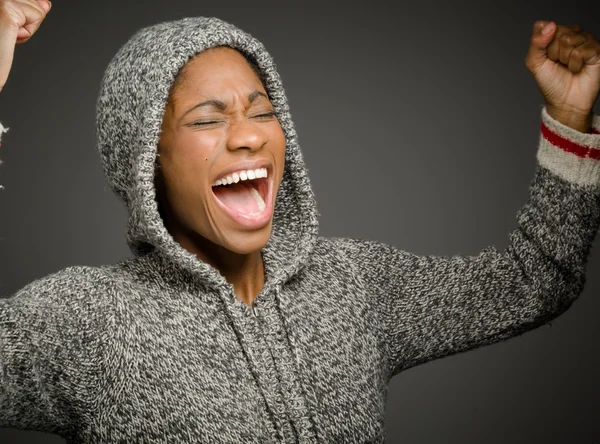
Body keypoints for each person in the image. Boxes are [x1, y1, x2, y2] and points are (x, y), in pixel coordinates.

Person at [1, 1, 599, 443]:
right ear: (143, 162)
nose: (250, 134)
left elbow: (533, 278)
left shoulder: (352, 285)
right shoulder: (87, 320)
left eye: (263, 110)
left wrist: (569, 116)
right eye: (208, 120)